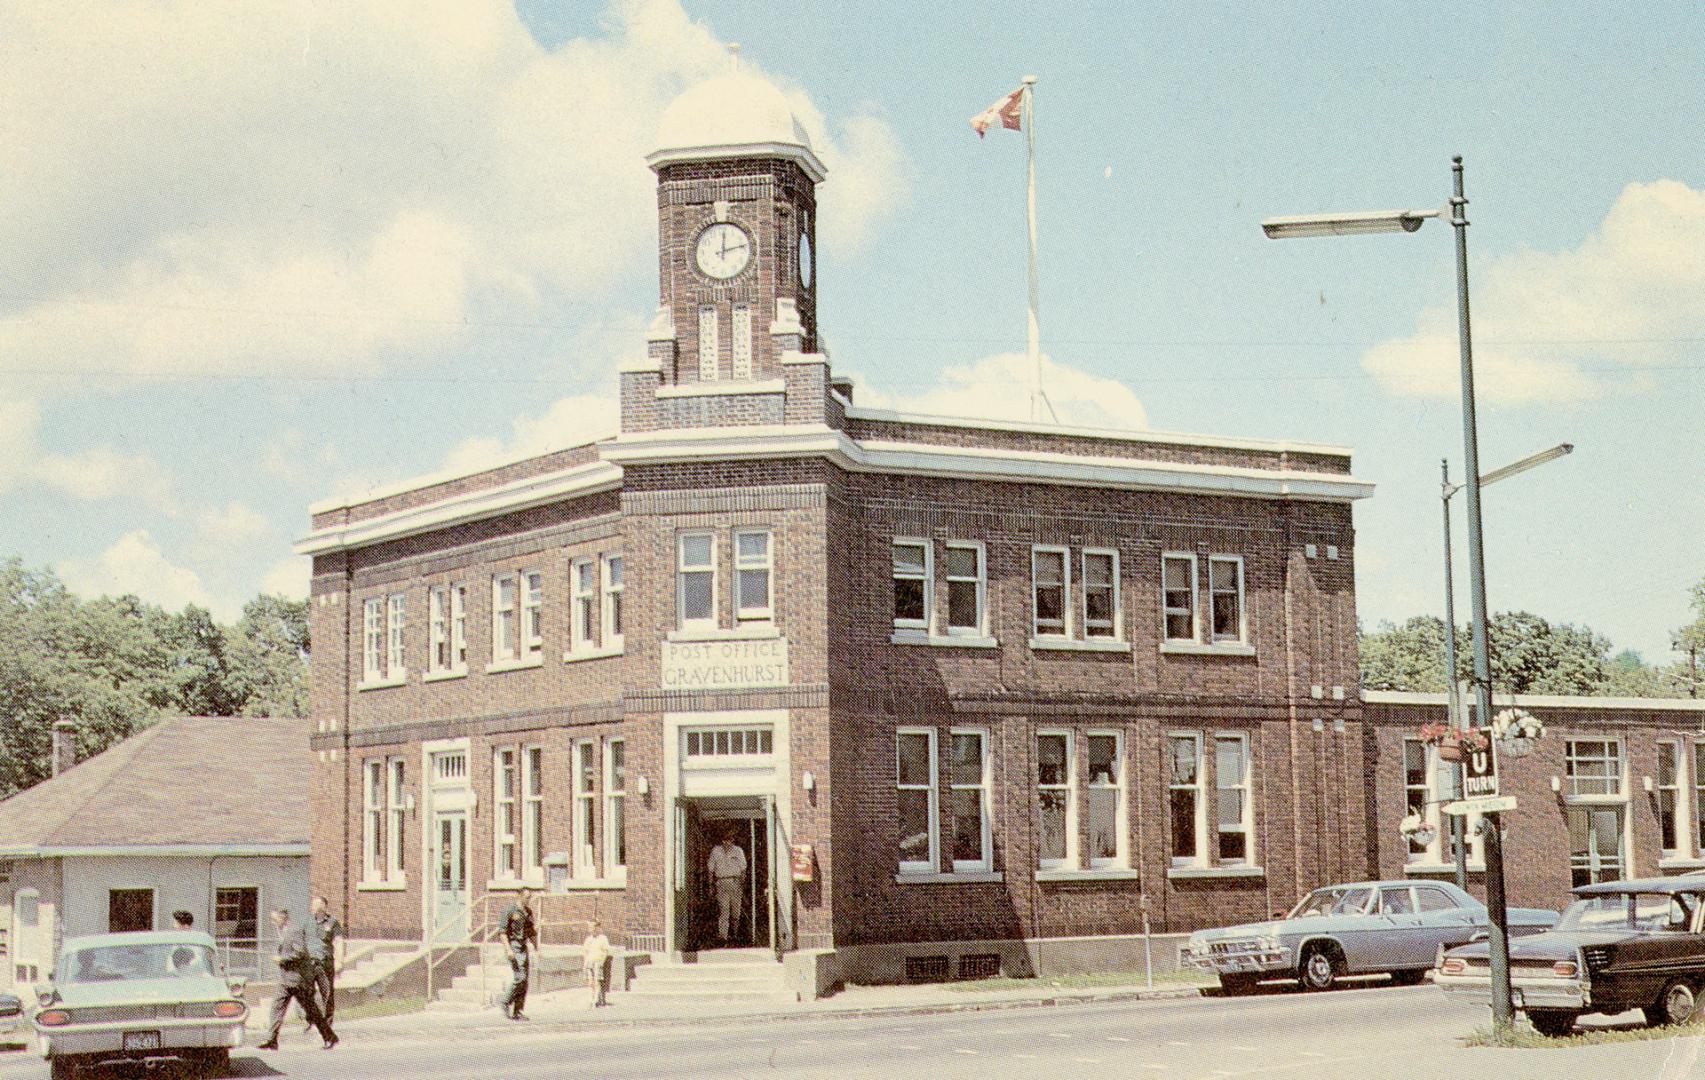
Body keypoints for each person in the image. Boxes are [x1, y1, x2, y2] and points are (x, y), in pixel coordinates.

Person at [257, 908, 336, 1051]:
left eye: (275, 920)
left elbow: (300, 952)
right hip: (286, 979)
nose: (273, 923)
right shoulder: (283, 932)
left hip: (297, 979)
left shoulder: (294, 931)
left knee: (311, 1010)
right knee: (277, 1007)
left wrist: (282, 959)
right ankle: (272, 1039)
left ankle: (329, 1037)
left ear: (283, 918)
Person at [305, 895, 344, 1027]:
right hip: (309, 964)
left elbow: (339, 942)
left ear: (323, 907)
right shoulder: (307, 922)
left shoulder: (333, 922)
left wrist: (340, 962)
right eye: (312, 905)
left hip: (325, 963)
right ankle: (309, 1020)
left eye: (315, 905)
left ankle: (327, 1022)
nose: (312, 907)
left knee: (327, 993)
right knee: (307, 992)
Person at [500, 888, 538, 1021]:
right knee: (520, 978)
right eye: (527, 897)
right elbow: (503, 933)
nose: (529, 900)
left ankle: (518, 1011)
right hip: (514, 946)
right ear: (520, 897)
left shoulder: (528, 912)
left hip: (523, 946)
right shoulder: (510, 911)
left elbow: (531, 932)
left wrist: (537, 947)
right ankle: (505, 1001)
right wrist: (508, 949)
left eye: (530, 897)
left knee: (525, 980)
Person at [707, 833, 747, 943]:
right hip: (721, 882)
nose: (727, 842)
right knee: (723, 910)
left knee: (736, 911)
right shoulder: (716, 851)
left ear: (733, 840)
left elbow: (743, 869)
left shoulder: (738, 851)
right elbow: (710, 869)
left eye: (729, 840)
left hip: (735, 882)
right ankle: (723, 937)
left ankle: (735, 934)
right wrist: (711, 886)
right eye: (724, 840)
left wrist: (741, 885)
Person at [582, 920, 612, 1008]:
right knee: (590, 982)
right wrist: (585, 963)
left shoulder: (602, 938)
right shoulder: (588, 939)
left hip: (598, 961)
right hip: (589, 962)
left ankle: (596, 1000)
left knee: (597, 981)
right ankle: (591, 999)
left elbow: (606, 951)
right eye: (590, 928)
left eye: (593, 927)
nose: (591, 930)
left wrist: (602, 961)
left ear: (597, 928)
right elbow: (585, 952)